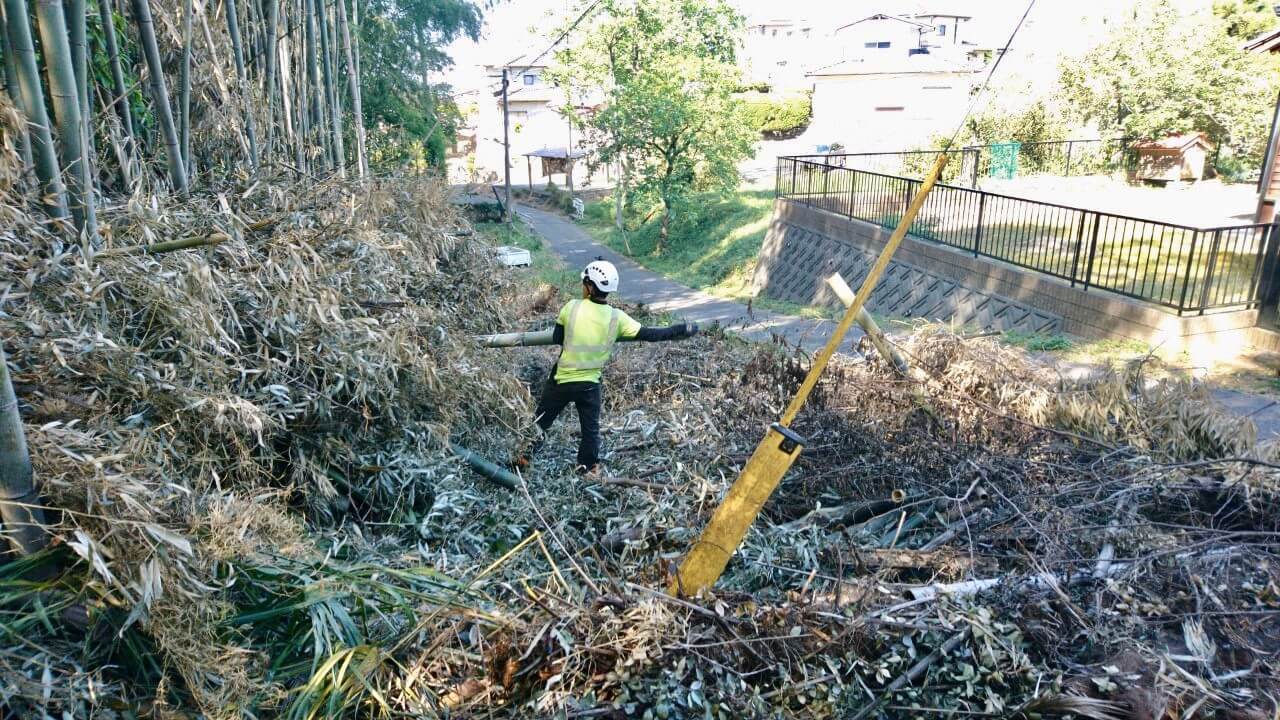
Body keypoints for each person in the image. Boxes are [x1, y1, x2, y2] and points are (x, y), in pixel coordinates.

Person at [516, 259, 697, 476]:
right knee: (590, 430)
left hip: (561, 380)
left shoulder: (571, 307)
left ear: (590, 287)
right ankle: (588, 468)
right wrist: (682, 329)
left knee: (542, 420)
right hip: (589, 385)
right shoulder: (616, 318)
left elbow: (557, 337)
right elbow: (652, 334)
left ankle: (524, 458)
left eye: (585, 283)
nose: (583, 286)